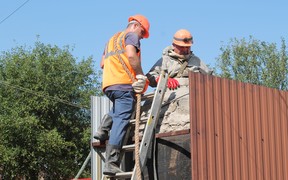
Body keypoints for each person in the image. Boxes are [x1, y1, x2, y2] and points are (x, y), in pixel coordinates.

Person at [95, 14, 150, 176]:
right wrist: (140, 75)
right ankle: (112, 162)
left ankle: (103, 129)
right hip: (124, 84)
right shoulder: (131, 36)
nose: (142, 37)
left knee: (119, 111)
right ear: (136, 26)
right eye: (143, 33)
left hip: (109, 84)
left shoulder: (111, 39)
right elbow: (131, 55)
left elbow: (102, 63)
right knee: (122, 121)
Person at [146, 29, 213, 89]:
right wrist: (162, 80)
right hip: (171, 96)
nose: (185, 49)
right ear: (174, 45)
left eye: (187, 47)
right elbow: (150, 77)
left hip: (194, 95)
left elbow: (211, 79)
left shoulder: (197, 61)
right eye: (181, 47)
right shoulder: (165, 60)